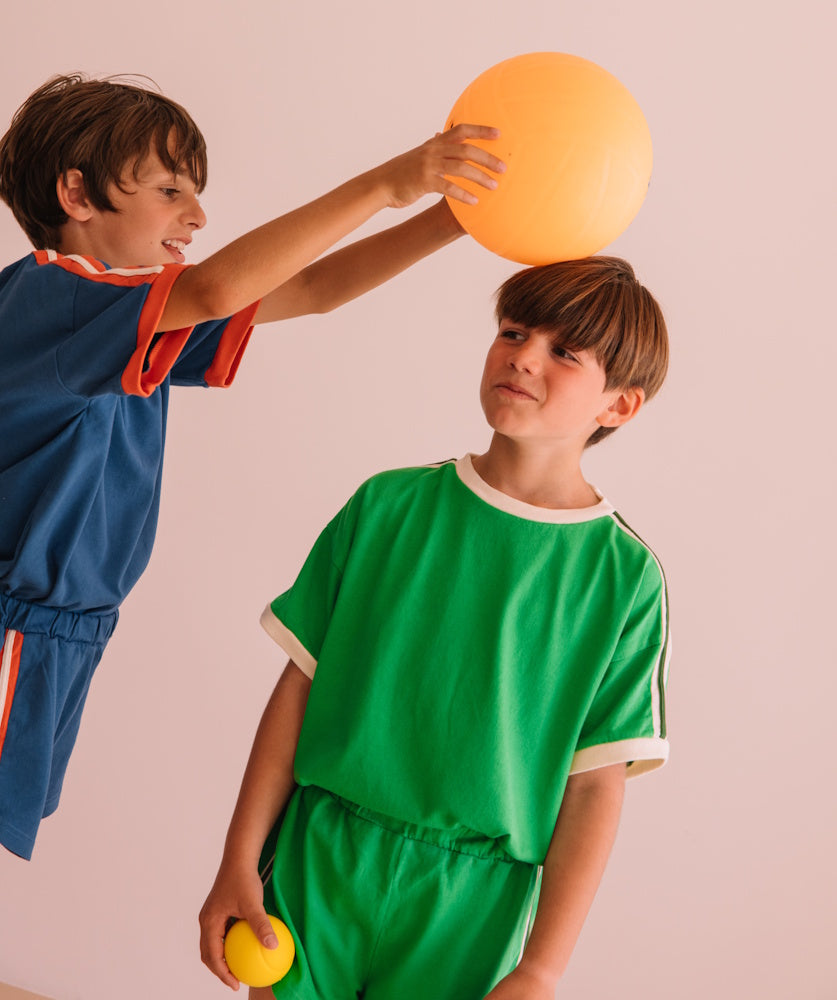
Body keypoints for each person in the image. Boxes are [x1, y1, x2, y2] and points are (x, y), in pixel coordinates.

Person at [0, 73, 505, 861]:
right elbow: (221, 284)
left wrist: (455, 218)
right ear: (77, 194)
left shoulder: (132, 321)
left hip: (64, 627)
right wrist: (387, 183)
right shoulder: (55, 298)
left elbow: (309, 286)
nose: (196, 217)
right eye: (170, 191)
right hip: (18, 622)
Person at [199, 255, 672, 1000]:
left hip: (473, 900)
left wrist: (542, 968)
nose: (522, 355)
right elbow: (296, 695)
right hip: (319, 856)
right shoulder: (386, 506)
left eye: (563, 352)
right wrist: (237, 859)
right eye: (513, 331)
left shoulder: (622, 578)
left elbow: (594, 786)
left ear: (618, 405)